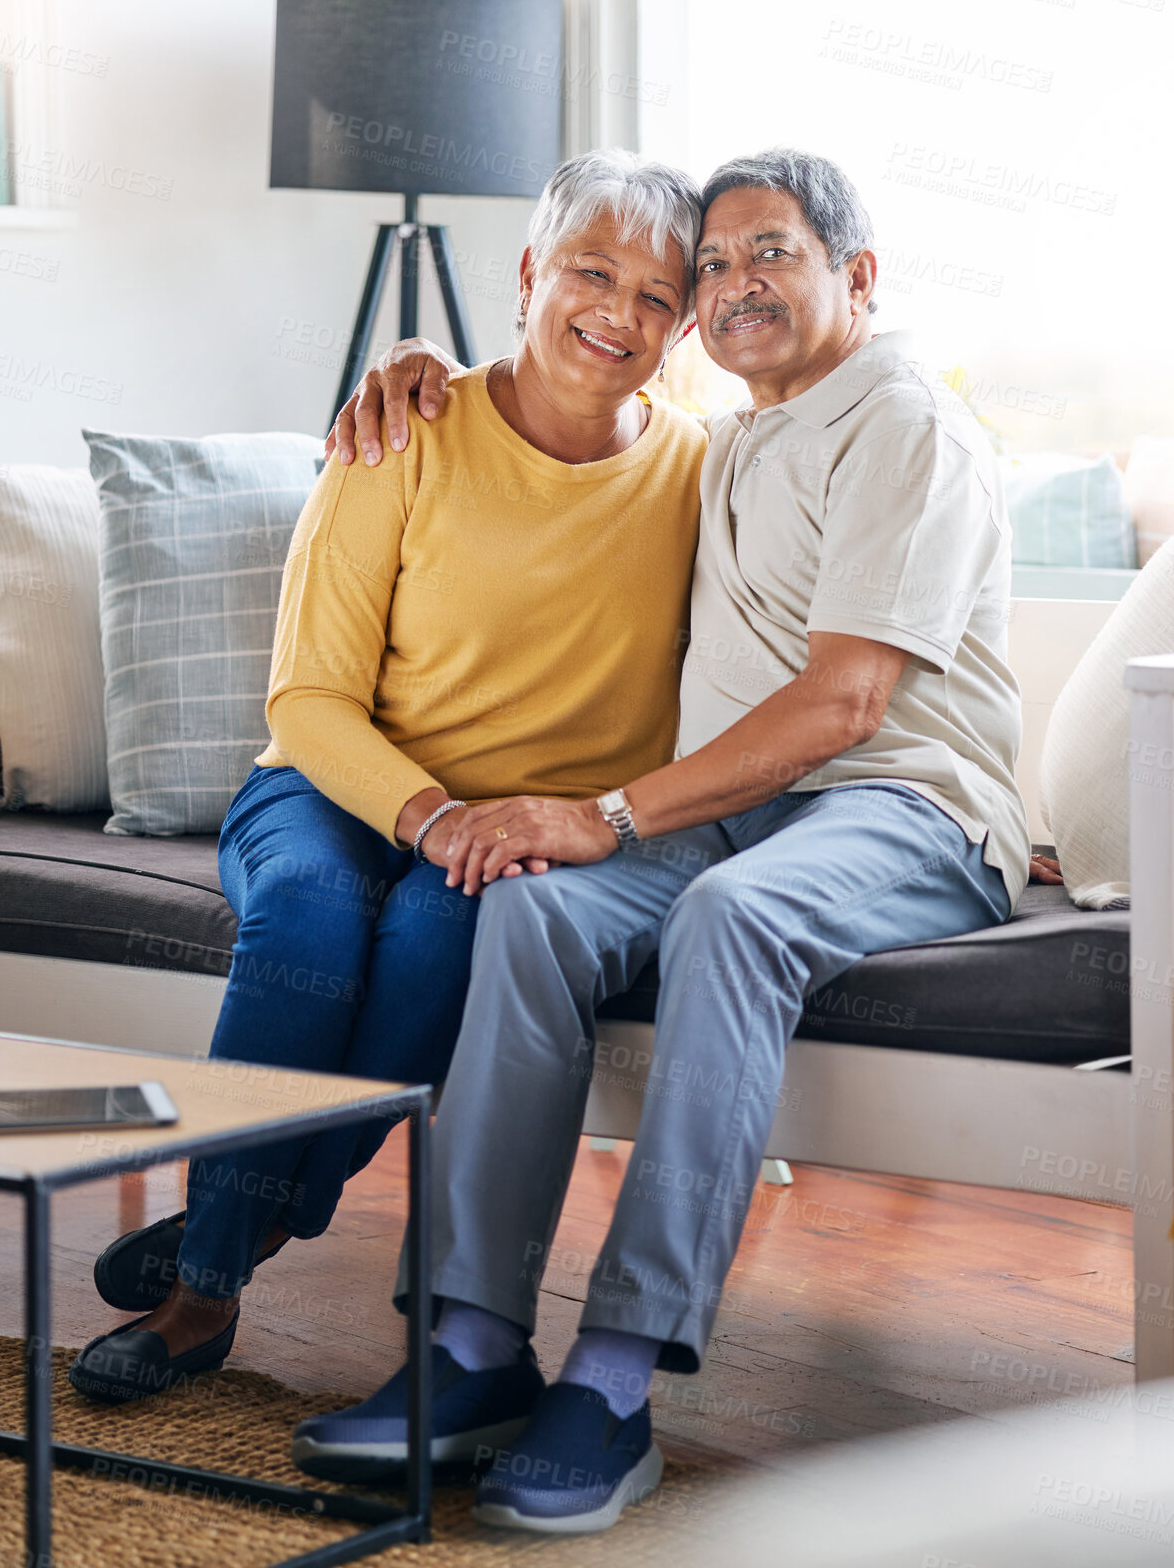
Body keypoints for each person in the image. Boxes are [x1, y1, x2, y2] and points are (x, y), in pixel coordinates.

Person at [294, 148, 1034, 1533]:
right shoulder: (735, 428)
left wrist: (612, 812)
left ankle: (620, 1375)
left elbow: (850, 700)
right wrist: (416, 364)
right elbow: (557, 381)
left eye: (772, 253)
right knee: (525, 907)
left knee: (732, 918)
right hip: (729, 811)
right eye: (715, 267)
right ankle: (469, 1348)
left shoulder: (903, 424)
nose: (731, 284)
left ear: (856, 277)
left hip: (900, 806)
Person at [67, 148, 709, 1408]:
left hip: (509, 833)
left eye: (657, 294)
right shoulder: (406, 428)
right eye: (591, 270)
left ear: (684, 325)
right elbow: (305, 698)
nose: (618, 313)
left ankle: (230, 1232)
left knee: (432, 932)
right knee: (313, 910)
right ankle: (207, 1292)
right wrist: (431, 812)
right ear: (529, 272)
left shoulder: (702, 470)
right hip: (335, 788)